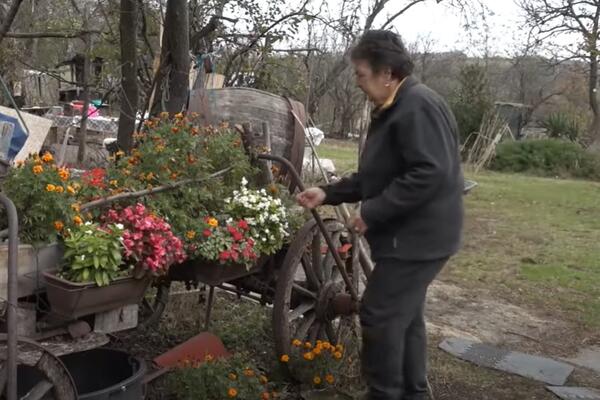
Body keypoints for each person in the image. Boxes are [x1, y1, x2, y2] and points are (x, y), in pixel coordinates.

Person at [296, 30, 464, 400]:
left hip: (419, 238)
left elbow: (429, 172)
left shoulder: (416, 106)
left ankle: (385, 393)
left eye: (360, 74)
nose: (357, 82)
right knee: (406, 317)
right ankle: (413, 393)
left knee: (379, 313)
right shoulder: (395, 106)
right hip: (413, 236)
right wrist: (328, 192)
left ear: (386, 72)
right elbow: (381, 174)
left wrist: (373, 211)